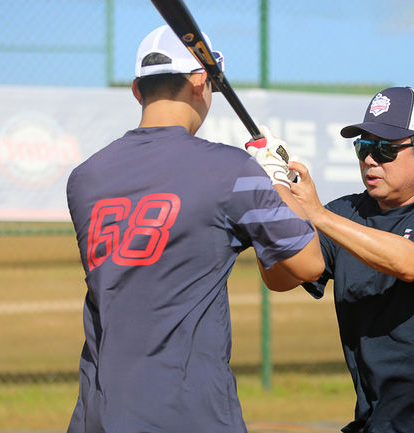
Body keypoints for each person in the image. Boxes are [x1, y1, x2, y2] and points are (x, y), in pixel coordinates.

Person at [65, 25, 324, 433]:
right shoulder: (230, 170)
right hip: (190, 412)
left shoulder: (84, 178)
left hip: (98, 412)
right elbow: (309, 264)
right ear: (201, 80)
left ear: (137, 90)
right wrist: (275, 181)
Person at [288, 87, 414, 433]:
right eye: (363, 147)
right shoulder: (345, 213)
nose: (370, 160)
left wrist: (318, 216)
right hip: (374, 422)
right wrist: (275, 204)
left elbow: (410, 264)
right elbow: (283, 277)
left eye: (385, 148)